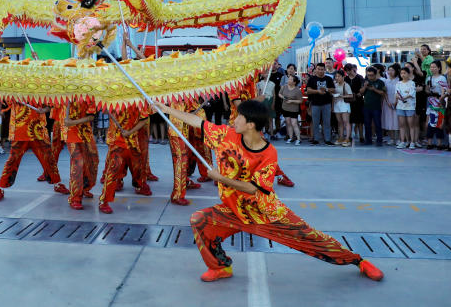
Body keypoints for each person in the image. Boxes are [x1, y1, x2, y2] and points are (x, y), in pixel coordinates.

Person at [155, 99, 383, 284]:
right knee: (199, 221)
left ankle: (358, 261)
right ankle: (221, 267)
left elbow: (254, 189)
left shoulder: (268, 153)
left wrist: (220, 178)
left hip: (266, 212)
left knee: (312, 238)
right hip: (233, 210)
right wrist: (166, 109)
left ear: (251, 124)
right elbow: (197, 121)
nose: (233, 119)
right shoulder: (226, 135)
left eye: (239, 116)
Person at [0, 102, 65, 202]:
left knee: (48, 158)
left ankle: (57, 184)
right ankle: (1, 189)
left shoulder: (40, 88)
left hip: (38, 130)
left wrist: (44, 110)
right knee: (12, 160)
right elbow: (6, 101)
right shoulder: (14, 89)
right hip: (19, 130)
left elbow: (50, 105)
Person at [98, 105, 152, 214]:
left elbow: (144, 119)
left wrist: (130, 131)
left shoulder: (138, 101)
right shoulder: (112, 99)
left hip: (133, 142)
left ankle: (139, 186)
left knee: (138, 168)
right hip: (117, 142)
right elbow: (104, 111)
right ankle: (104, 201)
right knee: (113, 171)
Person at [60, 100, 97, 209]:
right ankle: (75, 198)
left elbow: (91, 117)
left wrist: (73, 122)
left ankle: (85, 188)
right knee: (78, 162)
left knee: (92, 161)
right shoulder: (62, 92)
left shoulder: (89, 93)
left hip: (85, 131)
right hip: (70, 132)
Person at [306, 63, 335, 145]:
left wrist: (326, 89)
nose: (320, 71)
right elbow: (308, 90)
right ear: (316, 70)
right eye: (319, 69)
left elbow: (333, 89)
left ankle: (327, 139)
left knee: (327, 122)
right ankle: (316, 139)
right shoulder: (312, 79)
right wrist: (317, 91)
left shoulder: (329, 79)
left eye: (322, 69)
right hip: (315, 103)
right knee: (315, 122)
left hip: (326, 103)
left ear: (324, 70)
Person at [360, 66, 386, 147]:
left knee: (377, 124)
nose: (370, 77)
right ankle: (368, 140)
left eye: (371, 75)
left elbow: (383, 93)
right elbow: (361, 92)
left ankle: (379, 140)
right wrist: (365, 86)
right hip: (366, 106)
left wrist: (374, 89)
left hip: (376, 106)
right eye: (368, 75)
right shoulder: (365, 81)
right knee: (367, 124)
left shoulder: (380, 82)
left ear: (375, 74)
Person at [425, 61, 448, 149]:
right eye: (431, 67)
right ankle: (431, 142)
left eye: (434, 67)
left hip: (440, 100)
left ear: (439, 68)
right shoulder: (429, 78)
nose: (432, 69)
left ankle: (441, 143)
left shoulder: (442, 78)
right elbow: (426, 90)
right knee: (431, 121)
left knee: (440, 121)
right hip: (431, 100)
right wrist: (430, 91)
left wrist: (441, 99)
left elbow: (445, 90)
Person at [395, 66, 417, 148]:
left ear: (408, 74)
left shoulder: (412, 83)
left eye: (404, 73)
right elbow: (396, 93)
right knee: (402, 125)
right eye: (401, 73)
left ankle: (412, 142)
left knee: (411, 125)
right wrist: (398, 96)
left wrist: (404, 97)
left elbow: (411, 94)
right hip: (400, 106)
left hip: (410, 106)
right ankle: (403, 141)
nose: (403, 75)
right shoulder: (398, 83)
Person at [279, 75, 303, 145]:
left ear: (294, 82)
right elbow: (279, 94)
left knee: (294, 123)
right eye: (289, 79)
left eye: (290, 79)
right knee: (288, 122)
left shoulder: (297, 90)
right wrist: (283, 97)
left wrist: (292, 101)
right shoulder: (284, 87)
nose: (288, 80)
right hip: (285, 107)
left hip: (294, 109)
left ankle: (298, 139)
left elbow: (300, 101)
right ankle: (290, 137)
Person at [331, 70, 353, 146]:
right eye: (336, 76)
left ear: (343, 77)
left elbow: (351, 95)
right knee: (339, 122)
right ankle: (341, 137)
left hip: (344, 104)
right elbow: (333, 96)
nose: (337, 78)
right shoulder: (335, 85)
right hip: (337, 104)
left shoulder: (346, 85)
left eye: (339, 76)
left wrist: (342, 96)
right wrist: (333, 106)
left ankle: (347, 138)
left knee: (346, 121)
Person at [344, 64, 365, 143]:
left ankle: (361, 136)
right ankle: (348, 135)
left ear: (353, 69)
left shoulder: (359, 77)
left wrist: (361, 93)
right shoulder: (346, 79)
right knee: (349, 119)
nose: (348, 72)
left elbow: (363, 88)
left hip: (358, 100)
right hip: (349, 101)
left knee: (360, 120)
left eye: (349, 70)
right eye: (346, 71)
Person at [381, 64, 400, 146]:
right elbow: (384, 93)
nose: (390, 72)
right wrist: (387, 101)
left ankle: (399, 138)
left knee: (397, 121)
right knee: (389, 120)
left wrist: (396, 102)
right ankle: (392, 138)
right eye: (389, 70)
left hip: (397, 102)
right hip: (387, 103)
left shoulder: (399, 80)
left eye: (392, 70)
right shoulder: (386, 81)